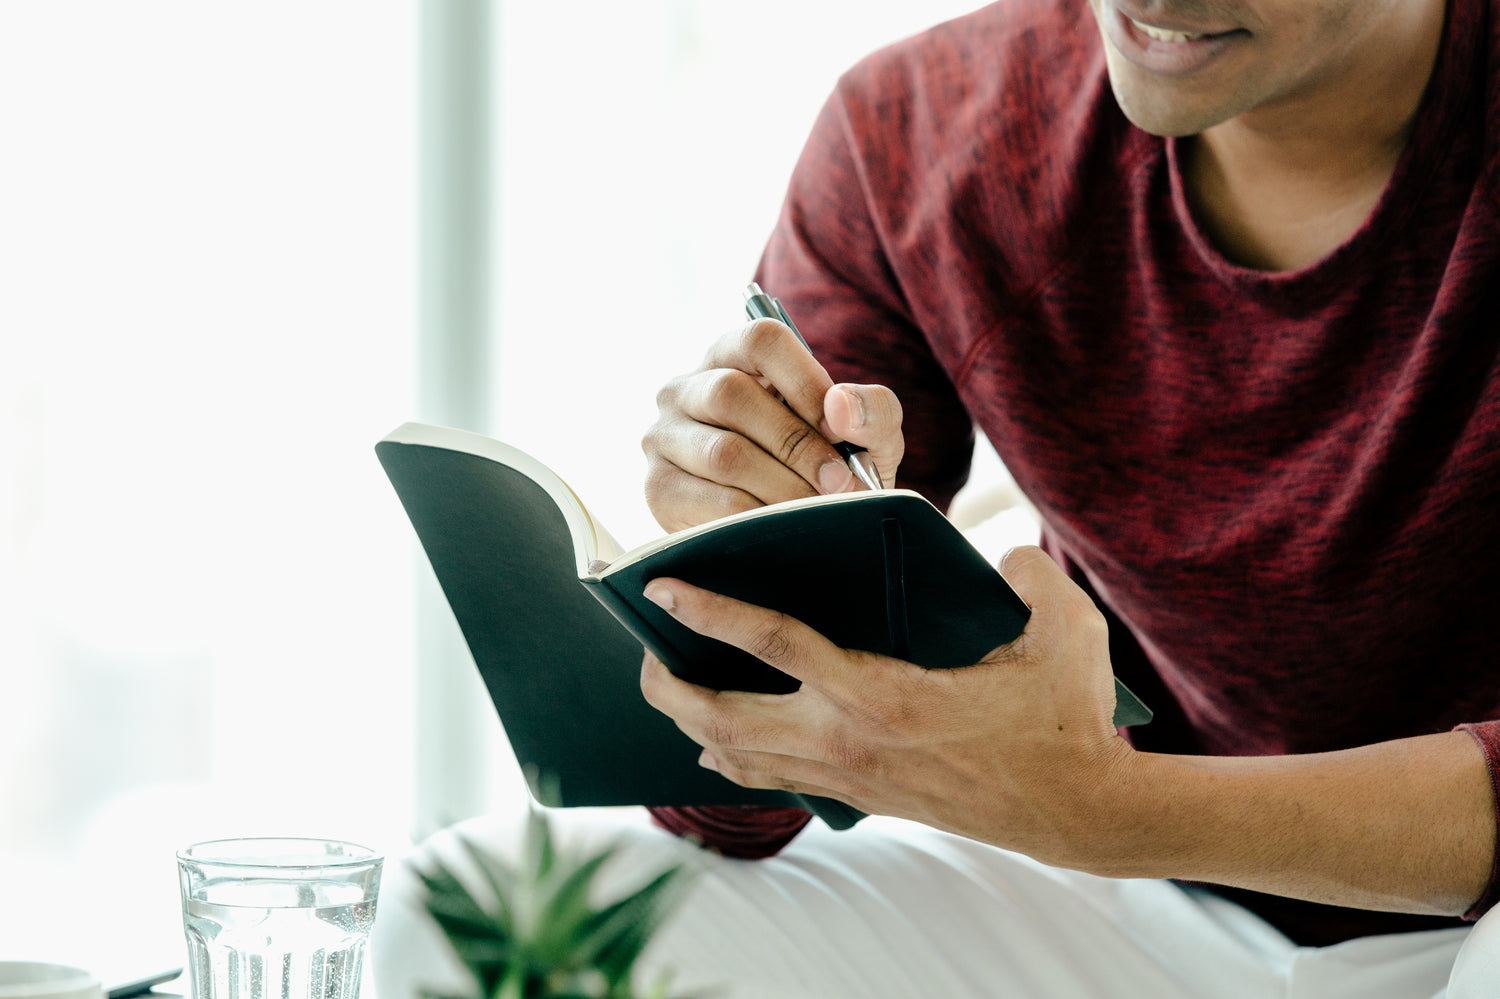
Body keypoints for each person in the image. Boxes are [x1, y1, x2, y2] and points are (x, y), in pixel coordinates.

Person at [373, 0, 1500, 995]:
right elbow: (734, 814)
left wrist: (1101, 807)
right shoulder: (918, 137)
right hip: (1138, 902)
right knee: (468, 913)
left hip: (1461, 911)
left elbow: (1083, 808)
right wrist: (747, 573)